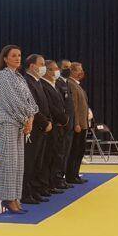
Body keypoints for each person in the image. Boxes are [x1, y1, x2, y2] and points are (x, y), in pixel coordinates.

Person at [0, 45, 37, 214]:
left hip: (21, 122)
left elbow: (30, 101)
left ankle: (16, 197)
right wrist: (26, 120)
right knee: (9, 162)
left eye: (19, 55)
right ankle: (8, 198)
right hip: (8, 122)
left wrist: (31, 118)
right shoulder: (2, 76)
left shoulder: (19, 76)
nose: (18, 58)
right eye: (13, 56)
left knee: (18, 163)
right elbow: (11, 101)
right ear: (5, 59)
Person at [22, 54, 52, 204]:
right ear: (32, 66)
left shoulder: (37, 81)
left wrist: (49, 120)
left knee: (38, 161)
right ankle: (26, 193)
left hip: (41, 127)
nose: (43, 67)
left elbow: (44, 105)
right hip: (33, 127)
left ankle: (35, 190)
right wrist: (44, 122)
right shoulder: (27, 82)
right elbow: (31, 106)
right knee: (29, 161)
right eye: (41, 64)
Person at [40, 60, 68, 194]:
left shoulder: (55, 85)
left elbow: (62, 104)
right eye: (53, 69)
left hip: (59, 125)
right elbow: (50, 106)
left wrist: (64, 117)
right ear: (46, 71)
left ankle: (53, 182)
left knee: (56, 155)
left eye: (57, 69)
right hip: (51, 124)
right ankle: (47, 183)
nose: (56, 71)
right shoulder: (43, 85)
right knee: (49, 156)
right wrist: (61, 118)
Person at [47, 60, 73, 190]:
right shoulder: (54, 84)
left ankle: (59, 178)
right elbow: (52, 106)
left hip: (64, 123)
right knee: (54, 154)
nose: (68, 69)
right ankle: (53, 180)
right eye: (65, 67)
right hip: (56, 123)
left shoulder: (61, 84)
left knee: (62, 153)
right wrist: (63, 118)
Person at [65, 62, 89, 184]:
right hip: (78, 125)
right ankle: (71, 175)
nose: (81, 72)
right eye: (79, 70)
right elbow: (74, 106)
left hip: (83, 124)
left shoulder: (77, 85)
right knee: (74, 151)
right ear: (72, 71)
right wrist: (76, 123)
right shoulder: (71, 84)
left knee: (80, 151)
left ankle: (75, 174)